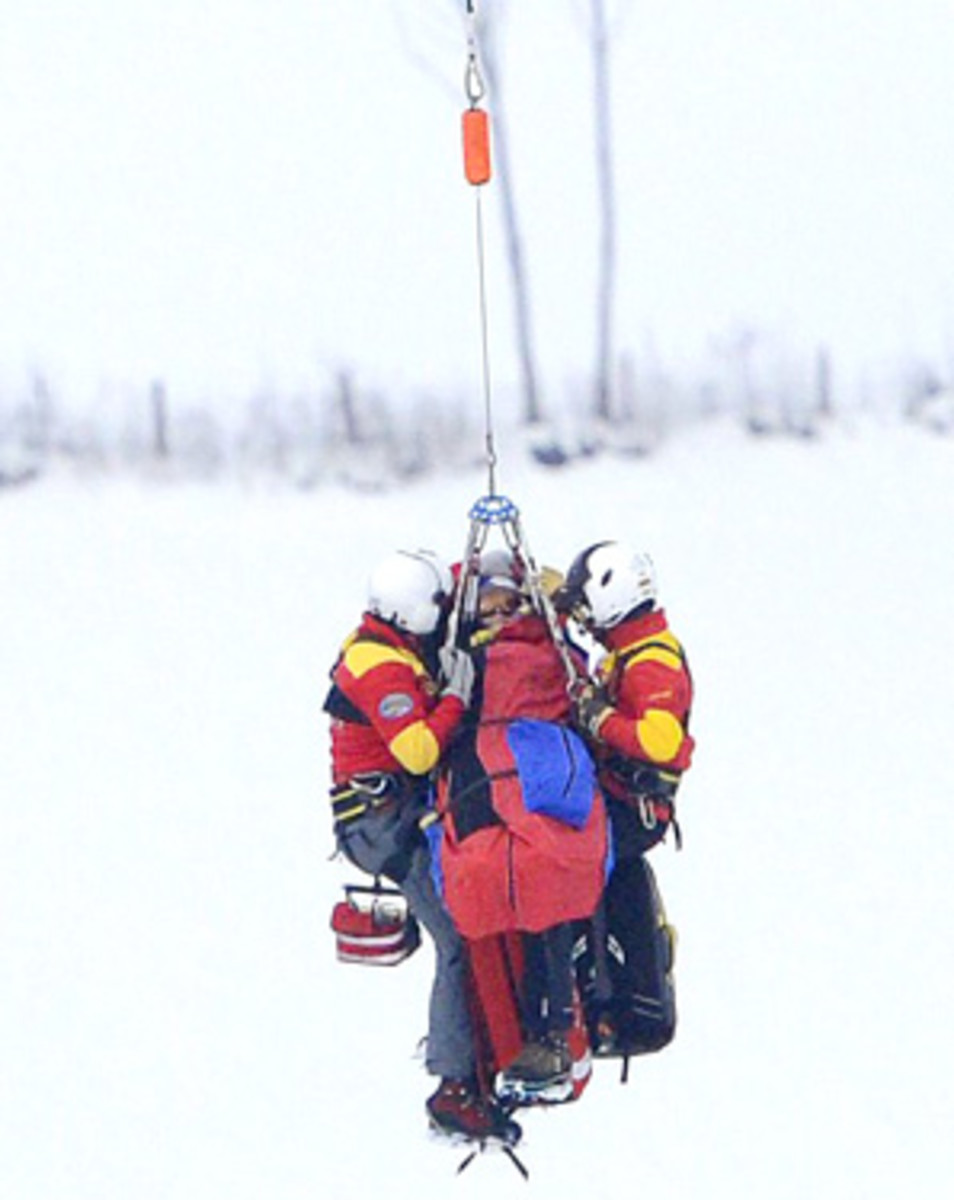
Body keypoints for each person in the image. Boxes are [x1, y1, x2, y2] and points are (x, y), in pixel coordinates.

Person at [325, 548, 519, 1144]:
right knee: (459, 935)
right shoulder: (381, 668)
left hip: (398, 815)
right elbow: (417, 751)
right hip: (383, 827)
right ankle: (455, 1083)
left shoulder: (388, 643)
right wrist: (456, 697)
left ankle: (480, 1054)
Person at [434, 551, 609, 1101]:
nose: (498, 617)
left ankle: (556, 1030)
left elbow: (572, 679)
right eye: (488, 607)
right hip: (487, 780)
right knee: (483, 892)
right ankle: (506, 1046)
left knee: (545, 885)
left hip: (536, 773)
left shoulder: (547, 648)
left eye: (507, 605)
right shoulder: (457, 658)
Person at [554, 540, 694, 1052]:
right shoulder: (630, 651)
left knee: (560, 863)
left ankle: (583, 992)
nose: (585, 618)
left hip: (632, 808)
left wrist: (599, 718)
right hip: (618, 799)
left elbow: (660, 741)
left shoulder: (651, 661)